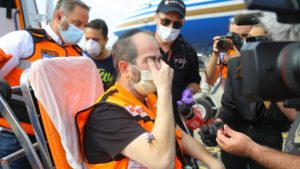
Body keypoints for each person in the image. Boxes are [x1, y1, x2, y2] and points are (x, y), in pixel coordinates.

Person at [79, 31, 225, 169]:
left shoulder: (149, 98)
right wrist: (164, 91)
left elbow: (180, 136)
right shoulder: (106, 114)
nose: (162, 67)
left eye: (159, 59)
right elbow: (162, 162)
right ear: (125, 69)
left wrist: (212, 162)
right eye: (150, 60)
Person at [0, 0, 89, 168]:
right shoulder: (26, 40)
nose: (80, 30)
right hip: (16, 138)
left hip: (57, 142)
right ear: (59, 16)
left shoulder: (80, 56)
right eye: (77, 23)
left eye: (84, 26)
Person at [200, 23, 294, 169]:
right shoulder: (234, 64)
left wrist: (264, 83)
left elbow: (284, 122)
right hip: (234, 145)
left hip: (268, 151)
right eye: (242, 38)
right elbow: (228, 106)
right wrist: (217, 124)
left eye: (249, 38)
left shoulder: (285, 70)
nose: (243, 43)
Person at [153, 0, 201, 132]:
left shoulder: (188, 50)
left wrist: (189, 91)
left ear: (183, 23)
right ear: (156, 18)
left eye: (177, 24)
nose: (170, 27)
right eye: (165, 21)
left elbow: (195, 82)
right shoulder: (144, 48)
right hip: (150, 117)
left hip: (179, 119)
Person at [205, 17, 252, 86]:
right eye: (234, 35)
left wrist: (236, 60)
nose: (238, 39)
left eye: (244, 35)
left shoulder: (257, 53)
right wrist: (215, 54)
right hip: (230, 95)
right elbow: (210, 80)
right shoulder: (227, 52)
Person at [84, 19, 116, 90]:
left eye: (95, 39)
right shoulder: (81, 58)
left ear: (105, 40)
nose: (90, 43)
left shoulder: (116, 62)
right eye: (87, 39)